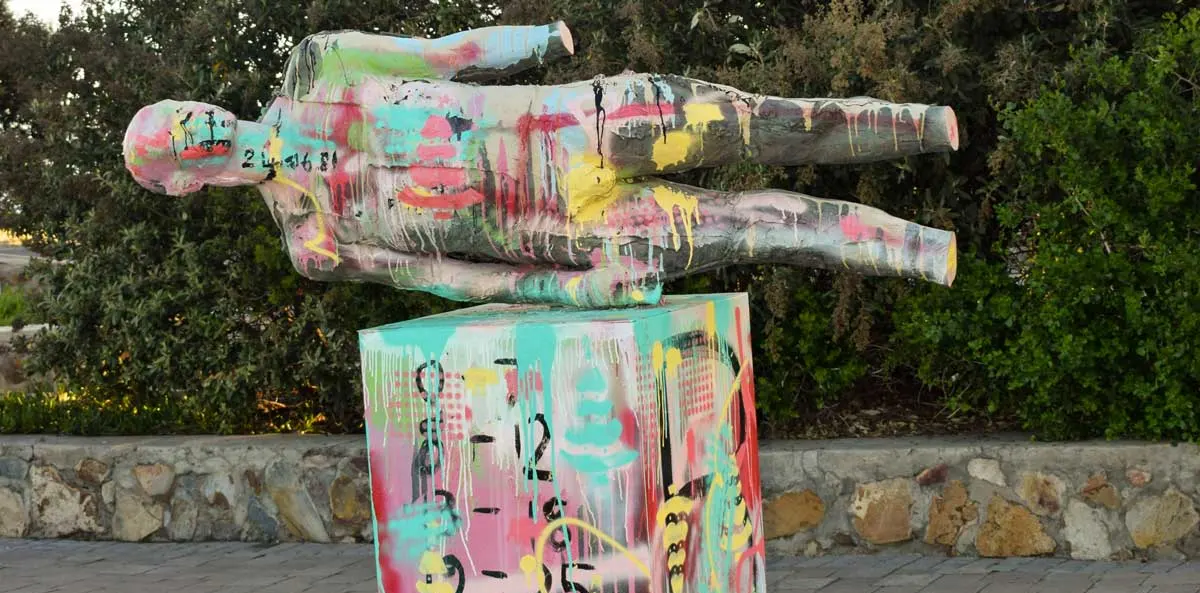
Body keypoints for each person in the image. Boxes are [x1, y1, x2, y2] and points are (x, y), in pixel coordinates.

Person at [124, 21, 959, 307]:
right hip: (569, 232)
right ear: (186, 180)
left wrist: (534, 42)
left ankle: (924, 125)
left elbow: (439, 57)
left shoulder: (317, 69)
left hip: (574, 124)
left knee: (764, 125)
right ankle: (920, 251)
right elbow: (450, 278)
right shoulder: (316, 241)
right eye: (173, 134)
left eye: (175, 107)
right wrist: (566, 288)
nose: (189, 117)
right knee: (761, 227)